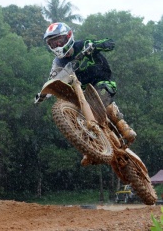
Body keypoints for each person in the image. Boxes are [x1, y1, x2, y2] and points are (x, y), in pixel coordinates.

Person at [35, 22, 136, 165]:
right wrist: (43, 94)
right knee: (76, 118)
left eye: (58, 40)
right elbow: (53, 78)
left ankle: (123, 125)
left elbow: (109, 43)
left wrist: (95, 46)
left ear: (68, 37)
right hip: (82, 91)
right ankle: (89, 149)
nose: (56, 45)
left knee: (100, 97)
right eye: (52, 43)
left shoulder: (83, 45)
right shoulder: (58, 62)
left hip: (101, 81)